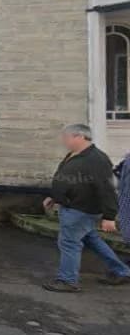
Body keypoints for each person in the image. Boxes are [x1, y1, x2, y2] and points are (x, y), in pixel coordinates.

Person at [43, 124, 130, 292]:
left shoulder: (97, 159)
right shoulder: (74, 155)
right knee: (92, 239)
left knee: (69, 243)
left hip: (81, 209)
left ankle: (68, 280)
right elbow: (66, 178)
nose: (64, 141)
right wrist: (55, 196)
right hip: (71, 206)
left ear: (80, 137)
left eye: (67, 138)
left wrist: (109, 216)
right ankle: (122, 271)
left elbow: (107, 188)